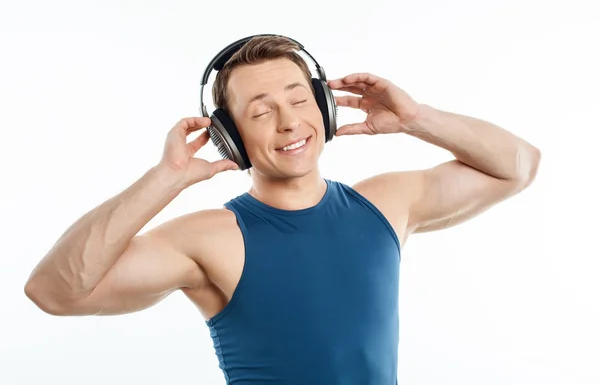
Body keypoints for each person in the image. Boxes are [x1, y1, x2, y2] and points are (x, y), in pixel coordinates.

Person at [24, 35, 541, 384]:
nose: (289, 123)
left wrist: (417, 119)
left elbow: (517, 166)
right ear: (230, 137)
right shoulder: (209, 239)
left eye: (299, 100)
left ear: (325, 107)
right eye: (261, 112)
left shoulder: (385, 204)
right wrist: (165, 180)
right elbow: (54, 292)